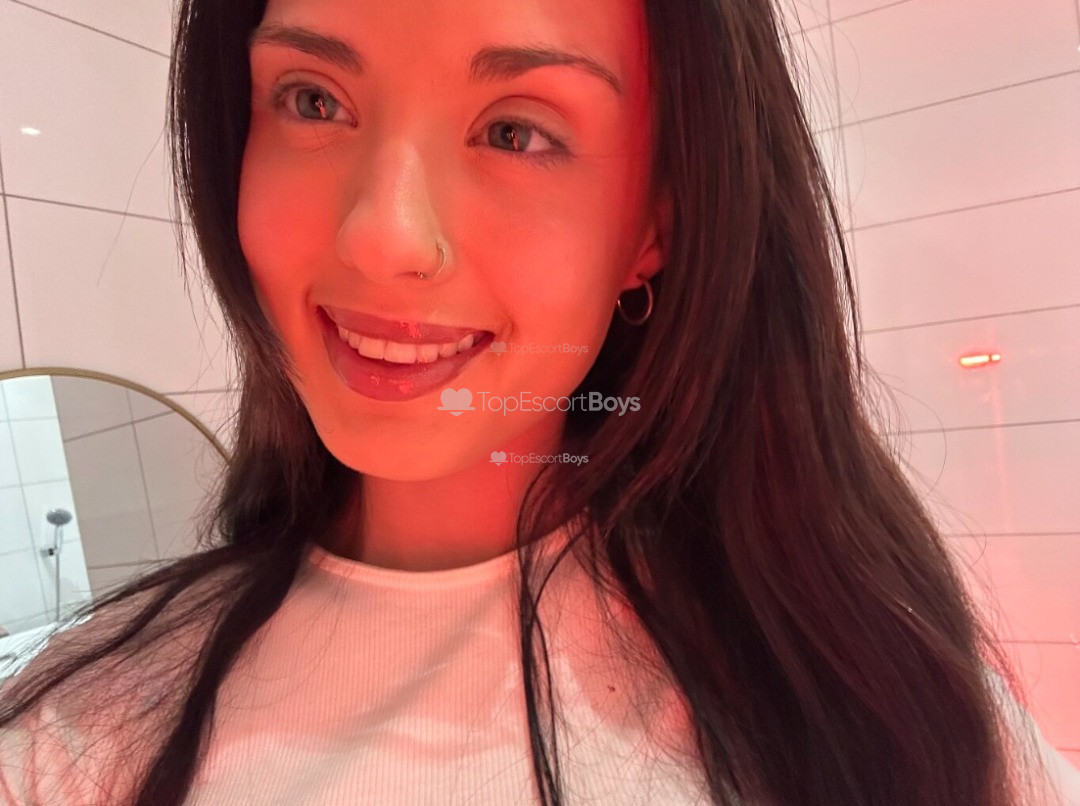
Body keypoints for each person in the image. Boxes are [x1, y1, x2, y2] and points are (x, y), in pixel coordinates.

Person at [1, 0, 1078, 803]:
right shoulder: (79, 742)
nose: (381, 235)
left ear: (656, 224)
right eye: (313, 99)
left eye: (516, 131)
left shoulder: (871, 697)